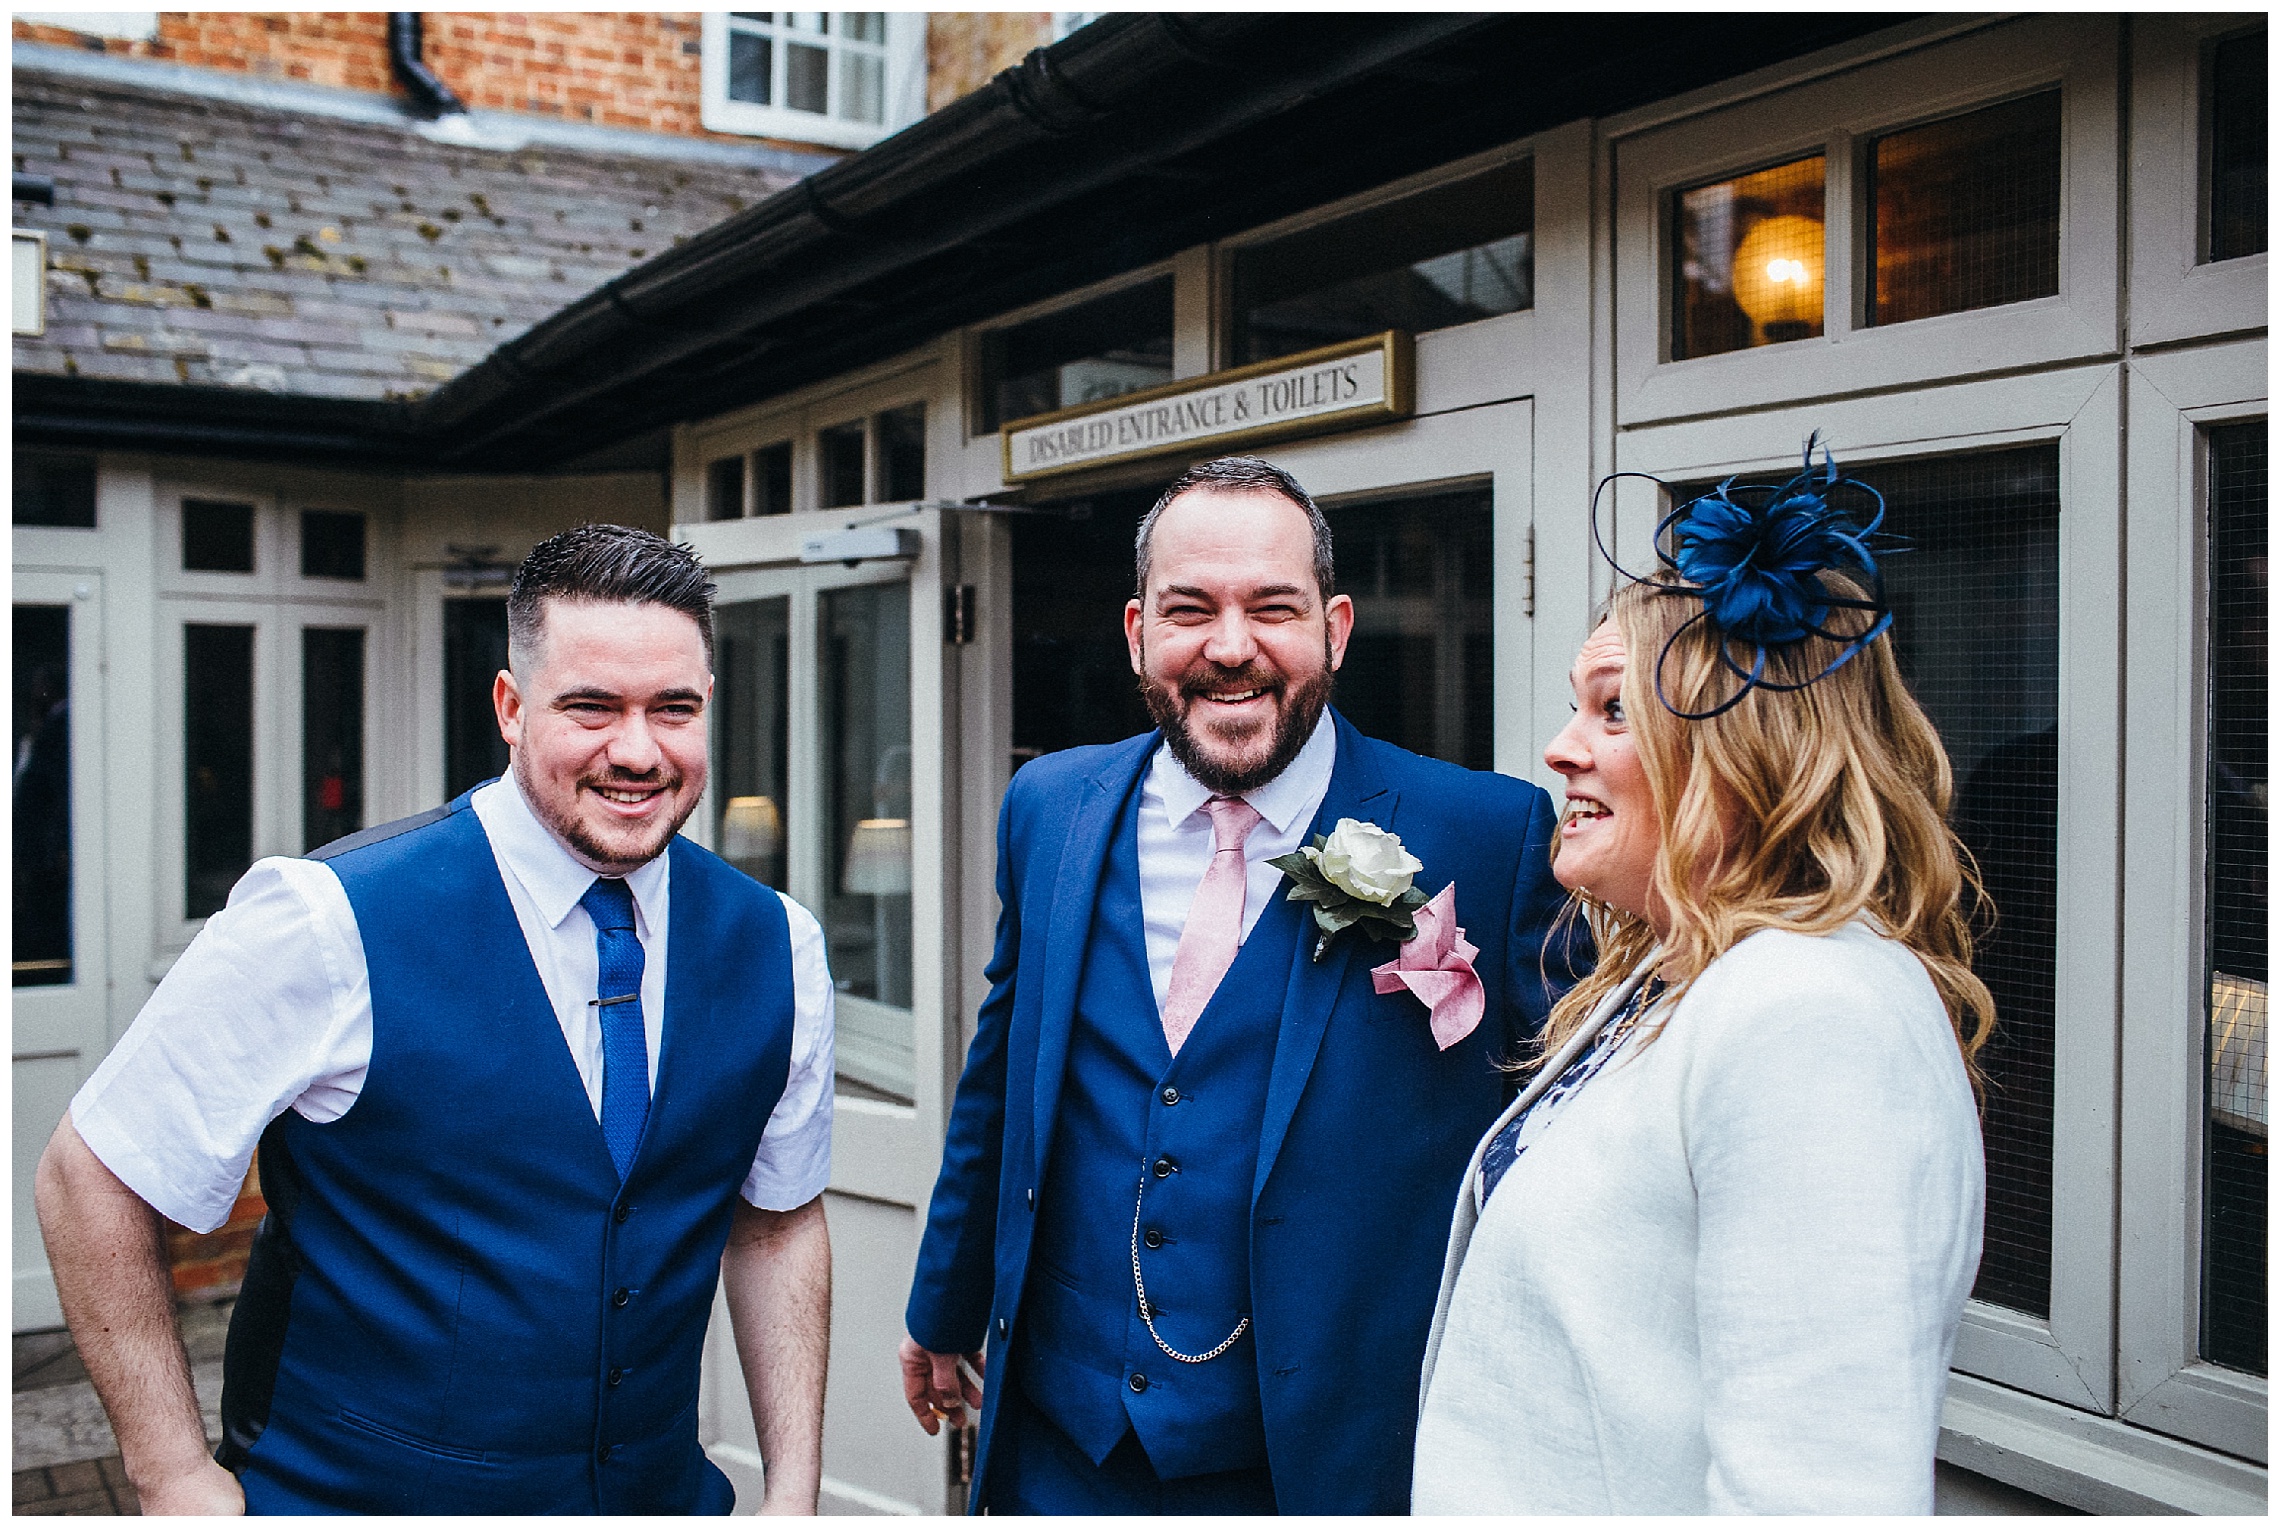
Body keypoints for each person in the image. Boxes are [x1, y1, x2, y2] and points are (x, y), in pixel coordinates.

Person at [34, 524, 834, 1515]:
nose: (637, 749)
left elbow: (777, 1218)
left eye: (671, 708)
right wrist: (171, 1476)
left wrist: (794, 1492)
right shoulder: (325, 919)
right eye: (591, 707)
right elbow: (89, 1174)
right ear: (510, 705)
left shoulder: (778, 946)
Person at [900, 456, 1573, 1514]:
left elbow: (1556, 1145)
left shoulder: (1486, 836)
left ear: (1336, 628)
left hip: (1324, 1456)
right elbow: (1001, 1077)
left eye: (1273, 608)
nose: (1229, 647)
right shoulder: (1051, 806)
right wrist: (944, 1303)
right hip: (1062, 1445)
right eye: (1189, 610)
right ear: (1135, 634)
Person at [1411, 450, 1991, 1513]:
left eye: (1612, 711)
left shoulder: (1814, 1014)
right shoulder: (1678, 985)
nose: (1558, 749)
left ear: (1745, 745)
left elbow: (1813, 1494)